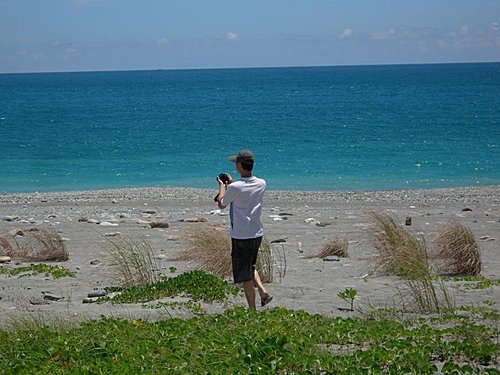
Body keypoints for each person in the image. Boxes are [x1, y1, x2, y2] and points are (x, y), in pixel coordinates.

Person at [216, 149, 273, 310]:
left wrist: (222, 186)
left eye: (236, 163)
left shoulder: (235, 187)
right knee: (250, 265)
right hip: (256, 232)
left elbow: (221, 203)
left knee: (245, 275)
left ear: (240, 165)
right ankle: (263, 292)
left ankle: (252, 309)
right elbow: (243, 191)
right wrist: (231, 185)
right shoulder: (261, 183)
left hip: (241, 235)